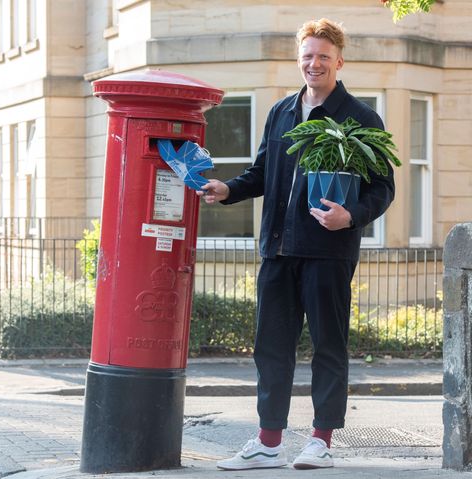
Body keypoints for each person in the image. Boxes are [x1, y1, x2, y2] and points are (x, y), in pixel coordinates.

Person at [197, 18, 396, 470]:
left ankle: (321, 441)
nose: (314, 63)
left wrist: (352, 215)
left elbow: (383, 187)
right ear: (299, 60)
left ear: (339, 61)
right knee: (270, 347)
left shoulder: (361, 118)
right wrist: (228, 189)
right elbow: (261, 173)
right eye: (307, 55)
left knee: (328, 346)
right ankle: (268, 442)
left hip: (328, 252)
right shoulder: (281, 112)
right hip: (276, 251)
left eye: (323, 56)